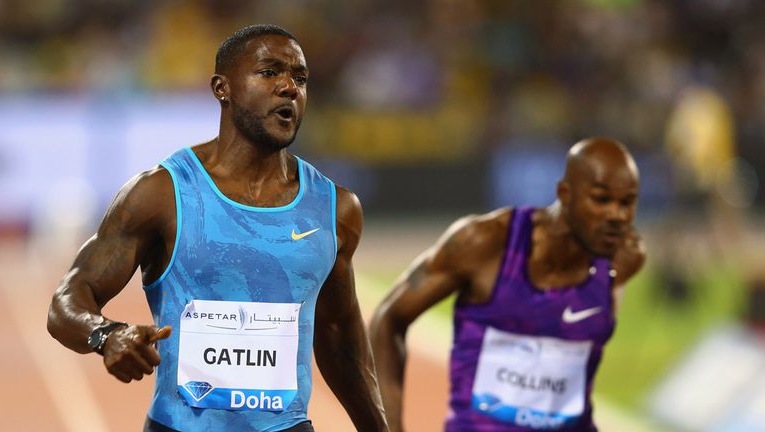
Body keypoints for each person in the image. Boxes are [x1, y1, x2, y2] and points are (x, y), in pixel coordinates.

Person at [47, 24, 388, 432]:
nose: (289, 88)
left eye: (300, 78)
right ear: (222, 88)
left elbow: (339, 336)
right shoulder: (162, 194)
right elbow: (68, 300)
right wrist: (106, 335)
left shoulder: (334, 209)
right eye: (269, 72)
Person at [371, 137, 646, 431]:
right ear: (565, 193)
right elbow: (388, 319)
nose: (617, 216)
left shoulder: (622, 261)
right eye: (602, 200)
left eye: (627, 202)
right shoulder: (485, 243)